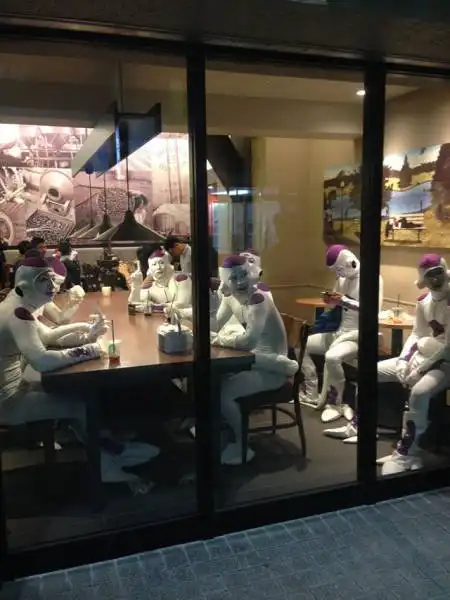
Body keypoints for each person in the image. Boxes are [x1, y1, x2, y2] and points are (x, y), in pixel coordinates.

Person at [0, 250, 159, 483]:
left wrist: (86, 332)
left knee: (79, 394)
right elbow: (42, 360)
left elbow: (48, 336)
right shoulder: (18, 314)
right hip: (8, 402)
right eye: (44, 281)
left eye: (51, 281)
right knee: (82, 406)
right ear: (25, 284)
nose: (52, 288)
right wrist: (89, 350)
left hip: (18, 385)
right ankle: (106, 465)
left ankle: (108, 448)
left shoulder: (17, 303)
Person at [211, 255, 298, 465]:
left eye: (243, 275)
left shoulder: (259, 299)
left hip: (271, 370)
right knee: (215, 384)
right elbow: (215, 323)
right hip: (251, 362)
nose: (240, 281)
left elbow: (248, 341)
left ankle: (242, 445)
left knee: (223, 394)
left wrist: (222, 339)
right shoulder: (230, 297)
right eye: (234, 278)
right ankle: (223, 430)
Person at [377, 254, 450, 475]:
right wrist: (402, 360)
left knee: (419, 392)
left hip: (446, 363)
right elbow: (417, 333)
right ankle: (361, 424)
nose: (435, 280)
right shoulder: (424, 301)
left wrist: (420, 369)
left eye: (438, 273)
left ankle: (408, 452)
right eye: (430, 276)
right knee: (372, 371)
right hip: (423, 356)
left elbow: (448, 347)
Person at [301, 245, 384, 424]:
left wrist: (344, 301)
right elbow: (337, 304)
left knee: (332, 357)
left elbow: (372, 311)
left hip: (358, 334)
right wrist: (331, 300)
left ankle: (335, 402)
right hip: (338, 331)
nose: (339, 274)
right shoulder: (342, 278)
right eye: (336, 271)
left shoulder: (372, 278)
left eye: (339, 269)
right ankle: (311, 390)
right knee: (300, 344)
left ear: (349, 262)